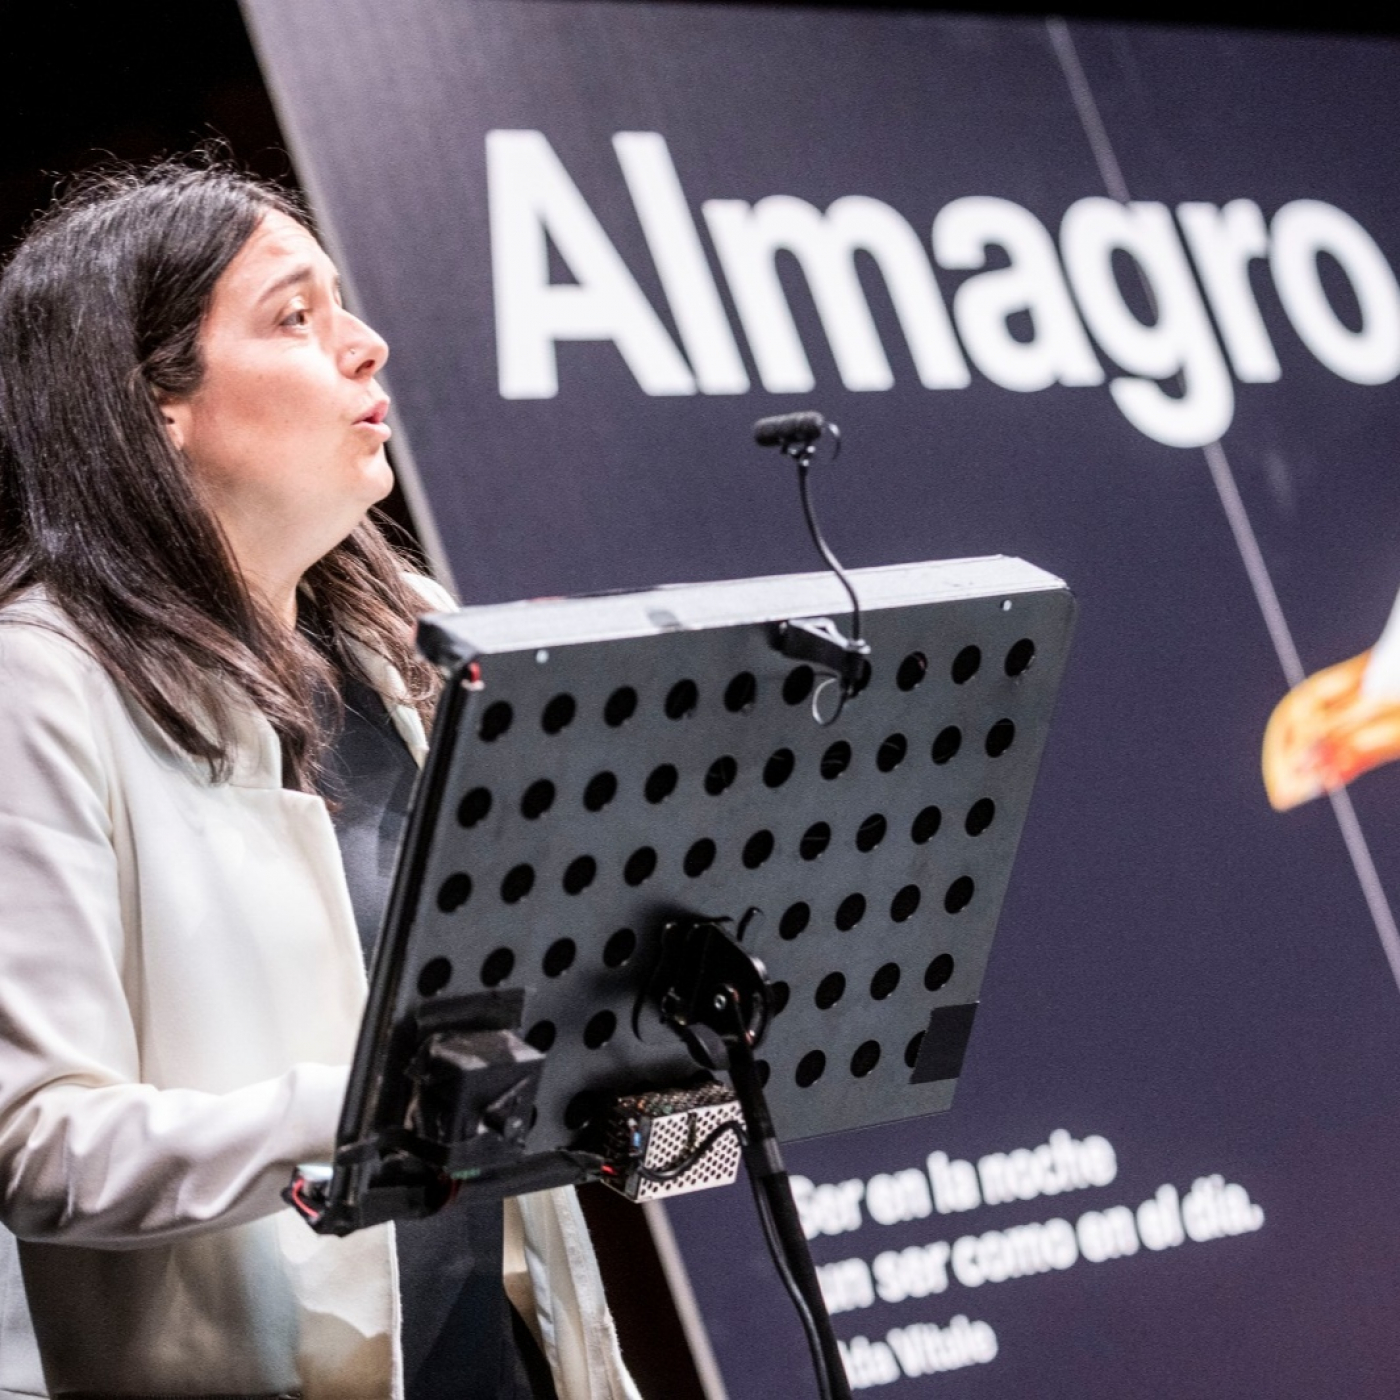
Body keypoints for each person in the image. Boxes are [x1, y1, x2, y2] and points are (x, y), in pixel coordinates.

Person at [0, 161, 638, 1400]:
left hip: (497, 1352)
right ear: (153, 401)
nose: (365, 344)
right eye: (296, 315)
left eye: (341, 304)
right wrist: (354, 1103)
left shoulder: (417, 640)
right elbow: (36, 1137)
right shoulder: (39, 684)